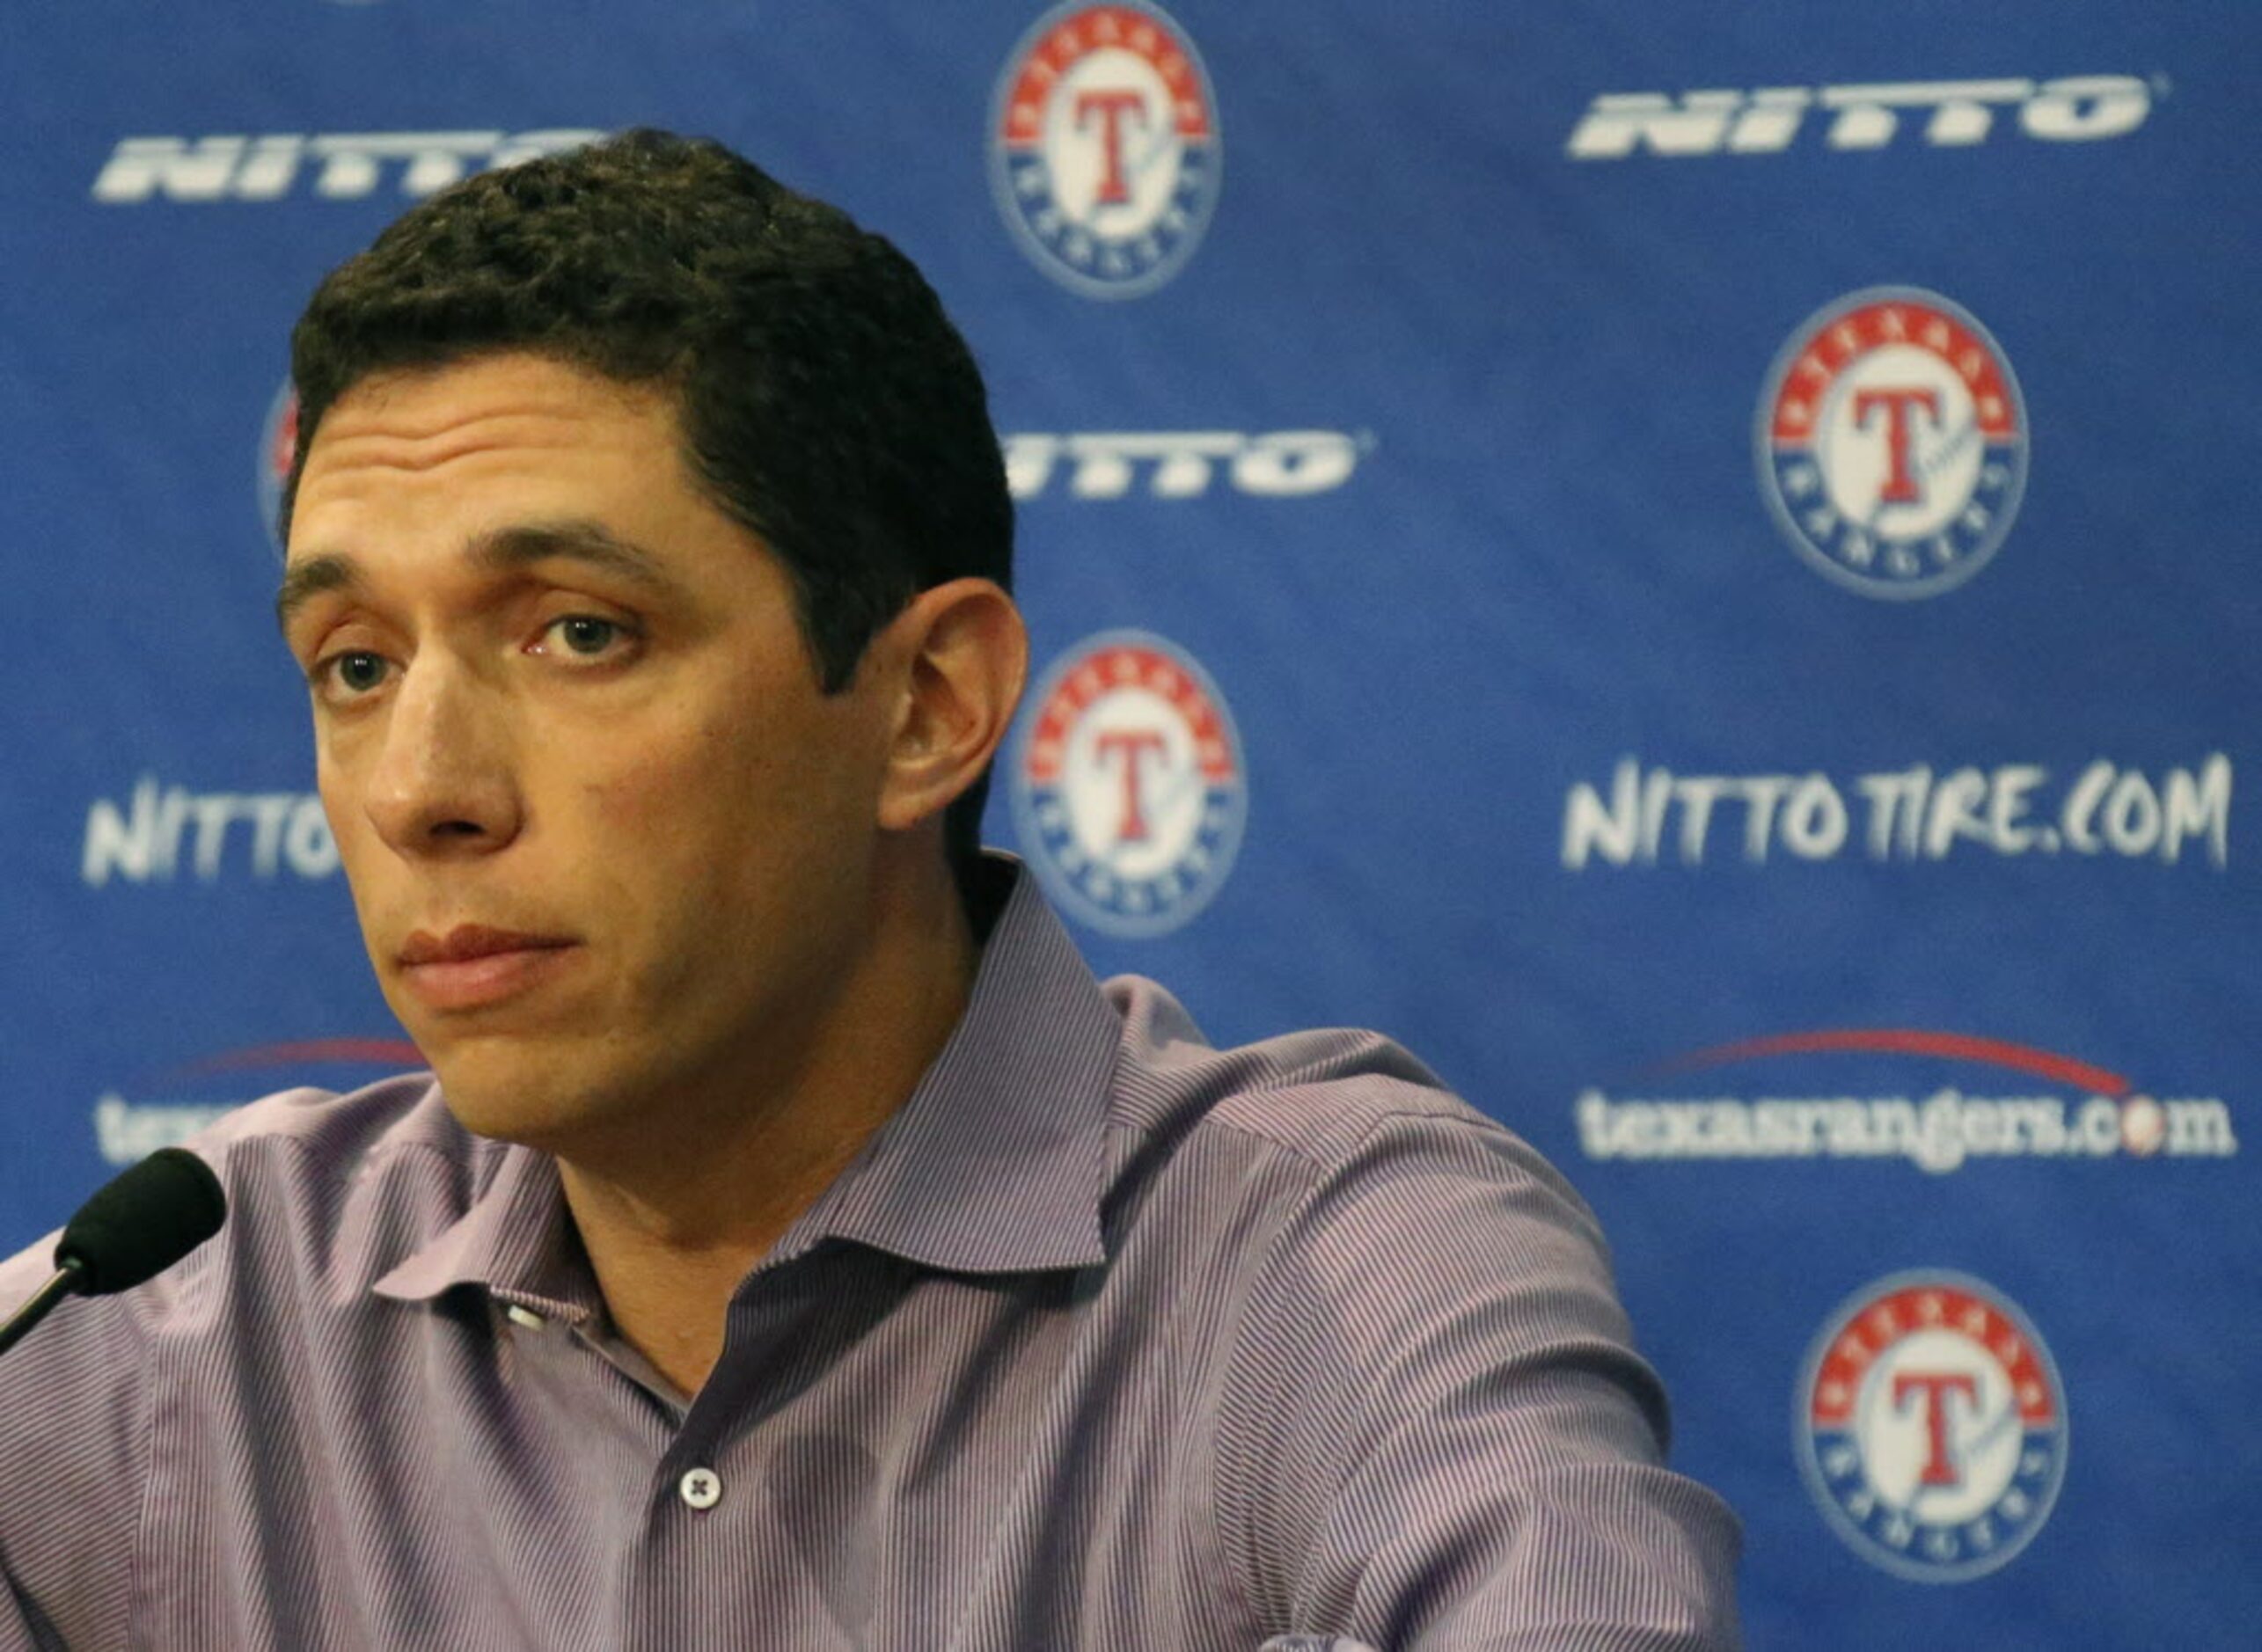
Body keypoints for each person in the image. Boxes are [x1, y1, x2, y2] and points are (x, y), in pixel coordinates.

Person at [0, 130, 1739, 1648]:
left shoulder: (1331, 1272)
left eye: (578, 634)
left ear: (925, 709)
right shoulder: (155, 1341)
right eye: (354, 663)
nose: (420, 791)